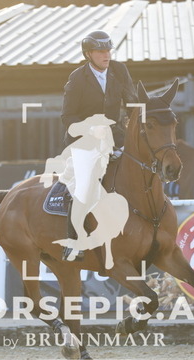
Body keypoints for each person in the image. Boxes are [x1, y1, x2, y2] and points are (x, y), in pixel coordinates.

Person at [58, 30, 138, 261]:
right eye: (101, 51)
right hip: (85, 141)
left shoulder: (119, 70)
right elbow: (68, 117)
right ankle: (74, 241)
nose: (106, 55)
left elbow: (132, 103)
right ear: (88, 54)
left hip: (115, 137)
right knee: (85, 185)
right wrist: (91, 129)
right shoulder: (77, 78)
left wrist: (139, 124)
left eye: (108, 50)